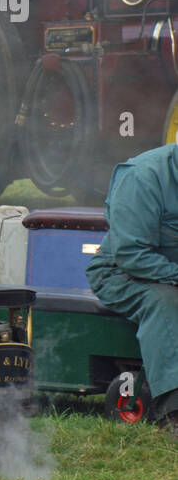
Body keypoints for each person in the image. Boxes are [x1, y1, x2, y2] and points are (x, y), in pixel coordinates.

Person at [87, 144, 178, 438]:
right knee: (165, 301)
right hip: (123, 273)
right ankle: (173, 411)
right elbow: (132, 254)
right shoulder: (143, 176)